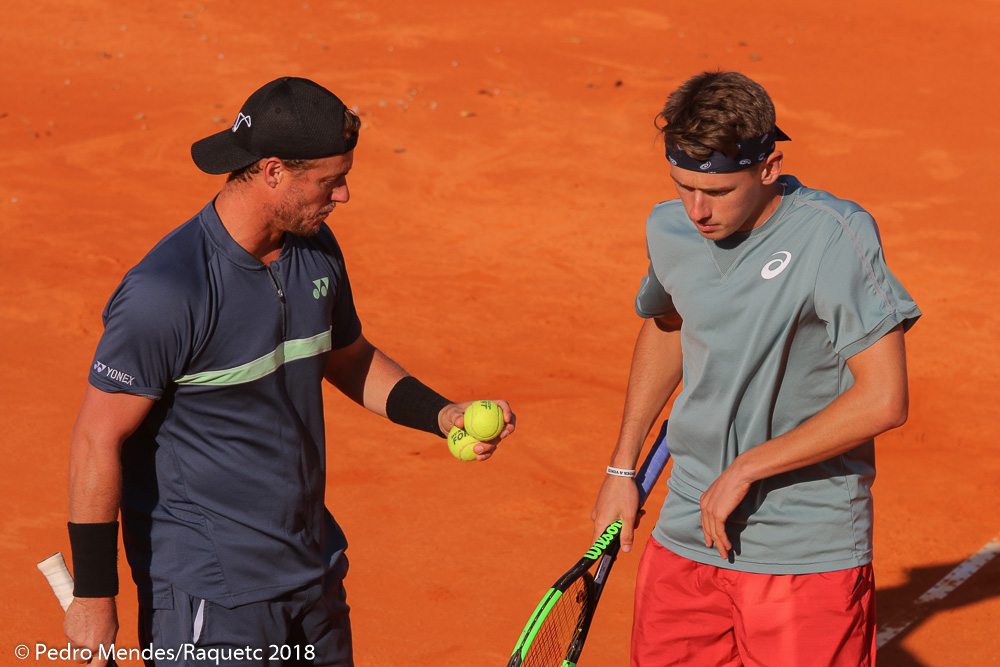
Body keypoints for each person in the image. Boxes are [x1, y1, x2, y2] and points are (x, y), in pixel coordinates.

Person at [63, 76, 515, 667]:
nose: (345, 194)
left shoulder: (315, 248)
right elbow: (98, 438)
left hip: (311, 567)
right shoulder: (167, 291)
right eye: (331, 180)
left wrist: (441, 413)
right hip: (213, 590)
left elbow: (346, 357)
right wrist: (95, 595)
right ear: (272, 171)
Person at [590, 70, 919, 666]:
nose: (696, 211)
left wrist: (747, 468)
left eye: (716, 193)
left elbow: (884, 399)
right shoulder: (669, 229)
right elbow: (670, 326)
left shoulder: (834, 237)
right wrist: (622, 466)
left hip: (800, 546)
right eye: (682, 187)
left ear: (769, 168)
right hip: (685, 535)